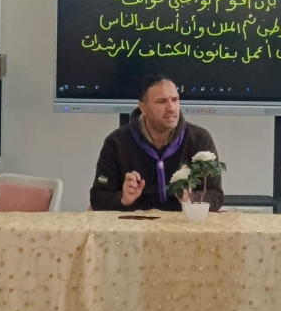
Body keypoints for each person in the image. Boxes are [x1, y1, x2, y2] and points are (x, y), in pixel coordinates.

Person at [90, 74, 224, 211]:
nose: (171, 108)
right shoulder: (117, 142)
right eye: (161, 101)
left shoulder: (199, 139)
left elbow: (216, 194)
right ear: (143, 108)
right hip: (135, 218)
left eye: (175, 99)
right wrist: (123, 199)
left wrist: (192, 199)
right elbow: (98, 197)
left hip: (183, 218)